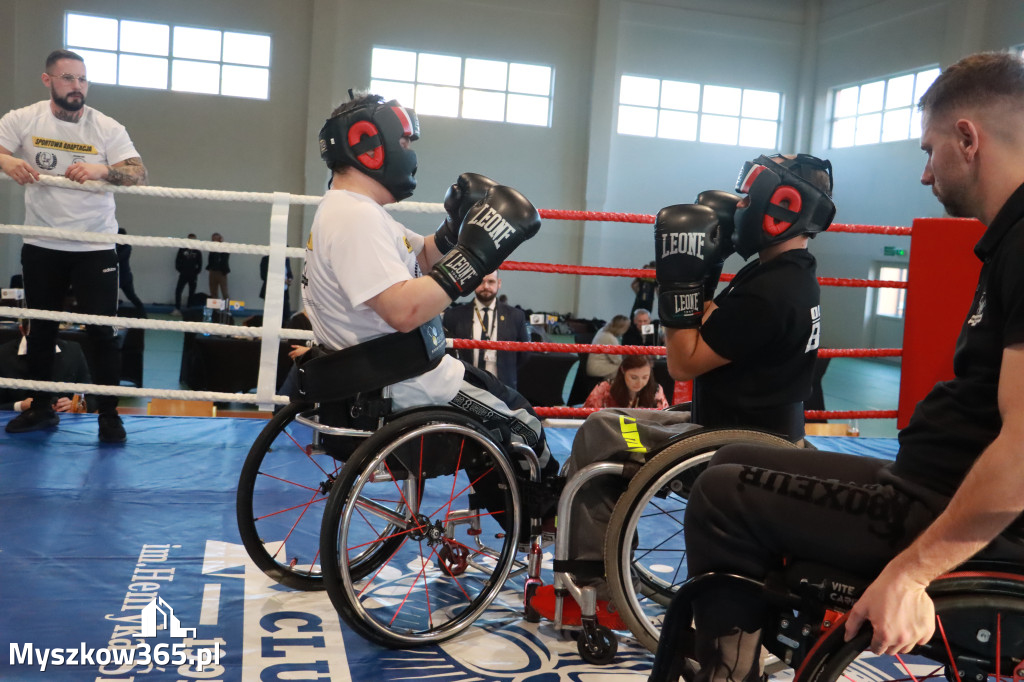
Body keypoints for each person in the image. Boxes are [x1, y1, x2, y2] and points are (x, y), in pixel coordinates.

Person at [672, 52, 1024, 682]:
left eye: (929, 150)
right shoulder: (1008, 242)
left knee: (721, 497)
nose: (924, 174)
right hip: (925, 482)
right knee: (724, 462)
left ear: (967, 138)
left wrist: (914, 571)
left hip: (948, 512)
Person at [531, 154, 835, 627]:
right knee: (607, 424)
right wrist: (702, 304)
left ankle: (595, 588)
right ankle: (584, 535)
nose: (740, 208)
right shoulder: (787, 275)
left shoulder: (770, 292)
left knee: (603, 433)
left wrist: (679, 287)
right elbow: (715, 326)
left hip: (726, 443)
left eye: (749, 200)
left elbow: (681, 361)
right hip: (743, 425)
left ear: (782, 208)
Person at [300, 92, 558, 531]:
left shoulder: (360, 212)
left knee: (503, 398)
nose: (410, 153)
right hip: (404, 386)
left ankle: (521, 520)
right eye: (403, 142)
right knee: (524, 425)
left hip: (396, 371)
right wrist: (475, 256)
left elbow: (422, 258)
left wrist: (455, 227)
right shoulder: (353, 218)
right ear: (368, 143)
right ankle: (546, 531)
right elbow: (403, 310)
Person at [0, 49, 147, 442]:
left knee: (102, 333)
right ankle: (41, 409)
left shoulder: (106, 127)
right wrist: (6, 161)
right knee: (42, 329)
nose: (77, 86)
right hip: (42, 240)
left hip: (94, 245)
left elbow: (139, 172)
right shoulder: (25, 118)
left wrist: (103, 169)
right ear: (48, 80)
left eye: (82, 79)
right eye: (68, 78)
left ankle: (109, 416)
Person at [442, 269, 529, 389]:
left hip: (503, 387)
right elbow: (447, 354)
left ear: (499, 283)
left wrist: (506, 370)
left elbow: (524, 354)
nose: (486, 286)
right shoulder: (453, 316)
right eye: (481, 282)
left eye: (491, 281)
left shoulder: (516, 316)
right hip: (465, 386)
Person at [0, 320, 93, 413]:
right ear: (22, 330)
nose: (43, 336)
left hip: (67, 422)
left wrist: (76, 405)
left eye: (49, 330)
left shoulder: (73, 350)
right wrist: (20, 406)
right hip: (15, 421)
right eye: (36, 332)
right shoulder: (3, 354)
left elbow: (92, 397)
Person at [583, 354, 668, 409]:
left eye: (645, 377)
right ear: (623, 370)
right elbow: (586, 417)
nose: (639, 383)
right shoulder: (604, 389)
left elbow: (664, 420)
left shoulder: (656, 391)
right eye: (634, 377)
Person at [585, 314, 631, 380]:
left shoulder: (602, 330)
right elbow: (617, 360)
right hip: (597, 368)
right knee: (626, 369)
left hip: (594, 365)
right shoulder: (610, 338)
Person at [115, 227, 146, 315]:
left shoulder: (126, 246)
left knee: (132, 297)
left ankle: (143, 315)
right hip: (114, 276)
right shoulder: (114, 245)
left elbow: (118, 258)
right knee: (110, 298)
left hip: (124, 277)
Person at [173, 233, 203, 314]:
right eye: (190, 239)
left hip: (193, 275)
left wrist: (196, 272)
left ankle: (189, 309)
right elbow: (177, 261)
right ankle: (177, 308)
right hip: (183, 274)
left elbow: (200, 264)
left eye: (194, 239)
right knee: (178, 291)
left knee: (191, 292)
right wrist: (181, 270)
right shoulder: (182, 249)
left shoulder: (197, 251)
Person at [259, 254, 293, 322]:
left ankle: (284, 331)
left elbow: (289, 273)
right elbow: (264, 276)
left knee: (286, 316)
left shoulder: (286, 260)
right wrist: (282, 280)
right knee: (271, 316)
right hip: (271, 292)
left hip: (284, 292)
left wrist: (290, 279)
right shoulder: (266, 259)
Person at [206, 232, 230, 300]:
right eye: (213, 240)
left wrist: (221, 245)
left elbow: (225, 257)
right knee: (213, 292)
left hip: (221, 272)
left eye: (216, 239)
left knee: (224, 292)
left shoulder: (225, 247)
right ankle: (216, 309)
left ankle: (226, 309)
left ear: (220, 239)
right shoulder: (211, 248)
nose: (214, 241)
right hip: (212, 271)